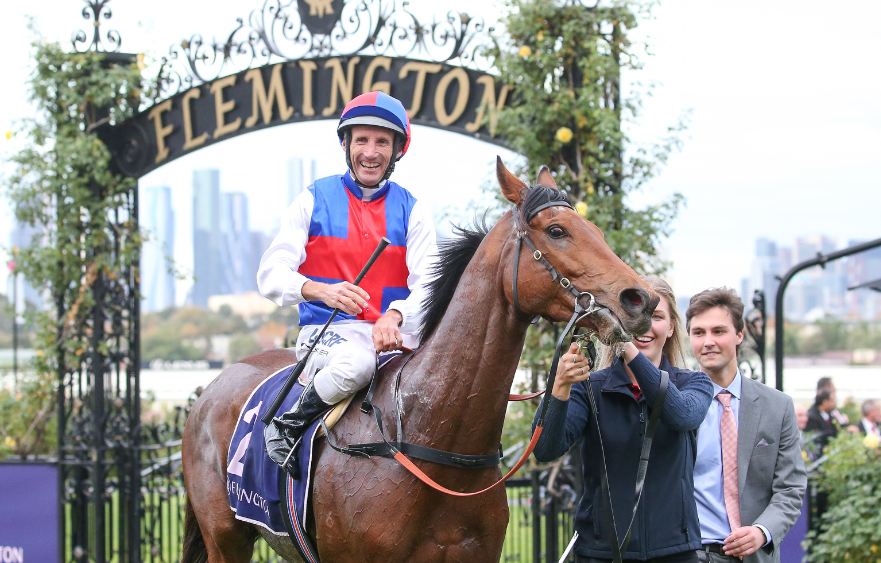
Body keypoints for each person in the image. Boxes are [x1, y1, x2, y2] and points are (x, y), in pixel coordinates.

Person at [257, 91, 438, 474]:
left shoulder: (414, 210)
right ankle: (286, 426)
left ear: (396, 151)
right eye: (362, 140)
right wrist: (320, 290)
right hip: (330, 335)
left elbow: (431, 285)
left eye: (382, 142)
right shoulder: (313, 199)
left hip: (395, 337)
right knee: (357, 364)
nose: (371, 152)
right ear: (345, 143)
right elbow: (270, 274)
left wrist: (395, 315)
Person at [532, 275, 713, 563]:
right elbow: (544, 449)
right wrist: (560, 387)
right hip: (601, 553)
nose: (644, 325)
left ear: (671, 328)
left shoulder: (695, 384)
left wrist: (625, 343)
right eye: (635, 316)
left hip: (675, 551)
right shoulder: (590, 388)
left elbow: (680, 414)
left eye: (655, 316)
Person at [687, 288, 806, 563]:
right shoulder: (675, 401)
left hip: (753, 556)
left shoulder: (778, 407)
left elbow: (790, 487)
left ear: (739, 335)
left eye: (718, 331)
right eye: (699, 333)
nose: (708, 342)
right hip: (688, 554)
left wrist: (762, 531)